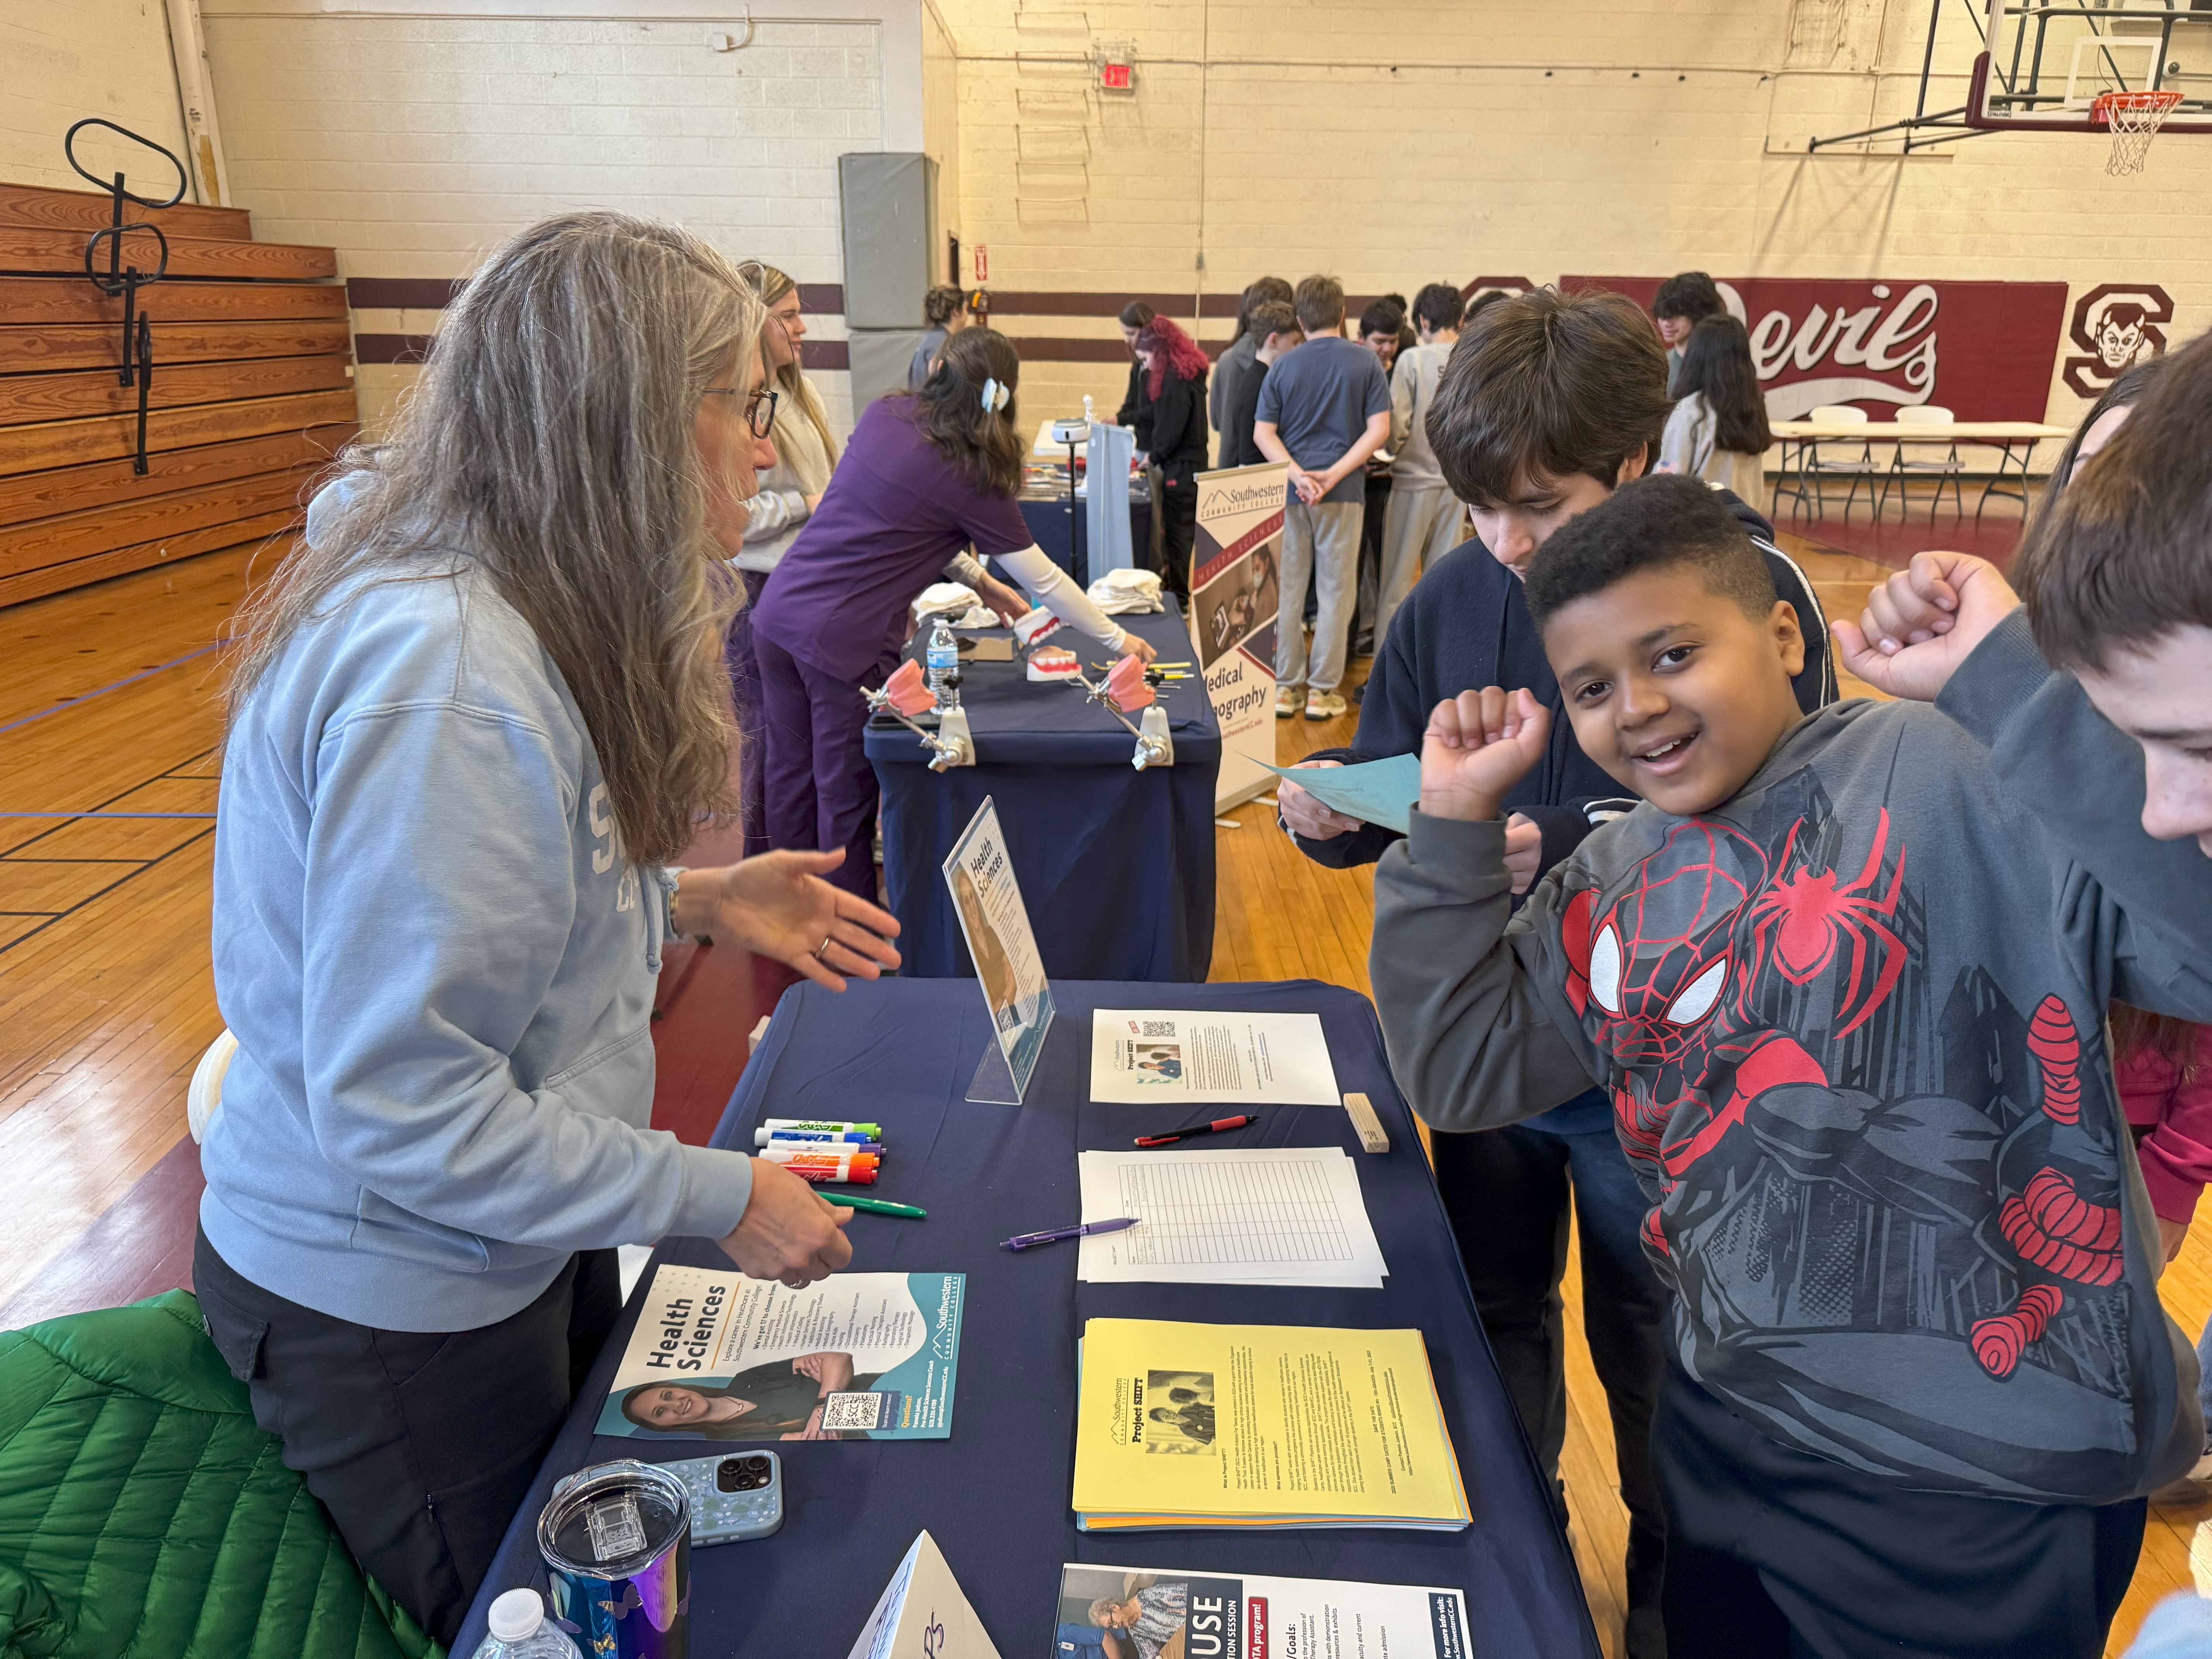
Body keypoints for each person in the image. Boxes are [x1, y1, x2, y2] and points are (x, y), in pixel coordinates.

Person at [191, 212, 893, 1650]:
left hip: (505, 1243)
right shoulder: (449, 678)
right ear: (635, 421)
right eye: (745, 405)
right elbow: (404, 1109)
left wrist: (699, 895)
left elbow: (512, 919)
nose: (767, 449)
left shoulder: (524, 608)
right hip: (396, 1307)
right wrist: (721, 1194)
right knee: (546, 1620)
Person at [1373, 471, 2212, 1657]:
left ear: (1779, 631)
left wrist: (2014, 687)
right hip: (1725, 1427)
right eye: (1592, 688)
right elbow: (1458, 1069)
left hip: (1989, 1475)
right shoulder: (1606, 883)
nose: (1639, 708)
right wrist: (1451, 823)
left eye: (1671, 653)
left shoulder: (1950, 766)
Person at [1274, 286, 1834, 1659]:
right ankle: (1515, 1583)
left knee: (1661, 1361)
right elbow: (1400, 773)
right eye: (1480, 509)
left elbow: (1799, 837)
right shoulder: (1460, 589)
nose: (1510, 545)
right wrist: (1345, 809)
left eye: (1546, 505)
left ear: (1638, 465)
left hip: (1667, 1073)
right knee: (1490, 1321)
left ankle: (1664, 1603)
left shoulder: (1742, 595)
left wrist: (1557, 843)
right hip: (1492, 1049)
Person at [750, 328, 1157, 898]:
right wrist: (1119, 641)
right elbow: (1044, 580)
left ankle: (784, 908)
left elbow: (899, 522)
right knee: (843, 794)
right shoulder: (969, 468)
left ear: (940, 366)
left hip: (777, 614)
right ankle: (846, 935)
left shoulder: (887, 414)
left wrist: (988, 587)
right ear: (1005, 398)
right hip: (839, 641)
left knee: (791, 775)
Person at [727, 263, 840, 856]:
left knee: (805, 742)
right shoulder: (744, 403)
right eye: (788, 314)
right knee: (770, 741)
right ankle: (761, 867)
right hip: (759, 588)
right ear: (753, 320)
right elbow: (739, 515)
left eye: (801, 312)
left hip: (806, 587)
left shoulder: (800, 391)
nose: (802, 326)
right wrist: (807, 503)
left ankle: (803, 857)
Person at [1254, 275, 1391, 722]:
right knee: (1336, 592)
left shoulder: (1283, 366)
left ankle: (1285, 688)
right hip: (1344, 492)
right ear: (1343, 313)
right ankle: (1321, 692)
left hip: (1292, 495)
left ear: (1299, 318)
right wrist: (1332, 474)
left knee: (1287, 591)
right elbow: (1380, 431)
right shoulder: (1366, 362)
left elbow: (1263, 434)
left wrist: (1299, 475)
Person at [1375, 281, 1465, 649]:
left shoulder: (1412, 359)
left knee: (1396, 582)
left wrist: (1387, 453)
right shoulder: (1470, 354)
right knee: (1443, 584)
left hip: (1413, 482)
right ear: (1460, 319)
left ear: (1423, 320)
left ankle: (1384, 666)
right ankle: (1438, 664)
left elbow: (1398, 425)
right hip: (1458, 485)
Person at [1132, 315, 1211, 600]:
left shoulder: (1174, 380)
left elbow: (1171, 428)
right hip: (1191, 463)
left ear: (1158, 351)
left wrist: (1153, 457)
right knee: (1181, 532)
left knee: (1179, 534)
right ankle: (1179, 588)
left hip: (1181, 467)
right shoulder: (1188, 373)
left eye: (1146, 359)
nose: (1146, 366)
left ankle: (1180, 594)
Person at [620, 1355, 879, 1441]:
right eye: (660, 1412)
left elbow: (838, 1359)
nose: (676, 1404)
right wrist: (830, 1385)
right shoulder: (728, 1442)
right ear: (662, 1428)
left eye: (668, 1395)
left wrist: (823, 1407)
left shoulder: (746, 1380)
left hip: (883, 1384)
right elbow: (815, 1442)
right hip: (876, 1432)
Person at [1658, 313, 1770, 507]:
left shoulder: (1691, 410)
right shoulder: (1753, 407)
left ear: (1697, 356)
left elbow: (1667, 483)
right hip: (1748, 525)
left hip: (1704, 528)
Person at [1209, 275, 1293, 458]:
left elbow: (1215, 422)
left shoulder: (1226, 359)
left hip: (1228, 465)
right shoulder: (1277, 367)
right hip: (1260, 473)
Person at [1216, 299, 1299, 470]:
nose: (1298, 350)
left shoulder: (1256, 377)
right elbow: (1250, 455)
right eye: (1295, 343)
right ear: (1274, 341)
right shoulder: (1260, 384)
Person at [1652, 270, 1723, 394]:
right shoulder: (1658, 366)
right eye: (1662, 315)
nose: (1667, 323)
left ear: (1700, 314)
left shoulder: (1725, 367)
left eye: (1677, 315)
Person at [1090, 1581, 1188, 1659]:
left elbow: (1189, 1594)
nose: (1116, 1626)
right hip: (1185, 1643)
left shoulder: (1148, 1597)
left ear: (1115, 1607)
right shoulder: (1134, 1631)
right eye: (1112, 1627)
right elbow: (1149, 1654)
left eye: (1112, 1622)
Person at [1114, 299, 1158, 456]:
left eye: (1131, 334)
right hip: (1142, 445)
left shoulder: (1161, 368)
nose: (1128, 340)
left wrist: (1122, 420)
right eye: (1125, 334)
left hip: (1159, 448)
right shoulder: (1138, 366)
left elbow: (1157, 410)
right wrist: (1116, 419)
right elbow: (1131, 402)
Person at [909, 283, 969, 391]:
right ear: (956, 311)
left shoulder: (933, 338)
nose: (967, 315)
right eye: (965, 309)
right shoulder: (941, 345)